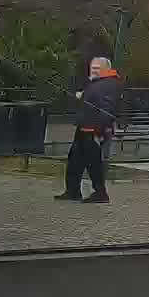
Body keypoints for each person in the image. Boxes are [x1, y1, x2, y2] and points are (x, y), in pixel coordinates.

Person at [58, 57, 124, 203]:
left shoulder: (109, 84)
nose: (93, 71)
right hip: (84, 126)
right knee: (75, 160)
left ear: (106, 69)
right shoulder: (98, 83)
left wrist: (100, 129)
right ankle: (73, 191)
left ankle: (100, 193)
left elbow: (108, 108)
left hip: (94, 129)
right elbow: (93, 100)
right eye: (92, 68)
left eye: (96, 68)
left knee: (93, 162)